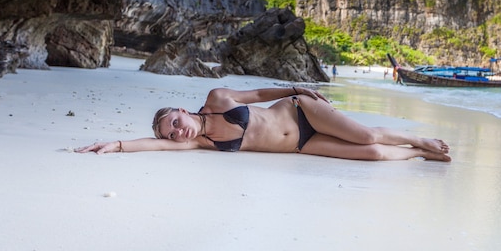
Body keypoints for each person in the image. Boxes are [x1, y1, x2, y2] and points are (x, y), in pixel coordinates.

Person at [77, 86, 451, 161]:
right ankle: (417, 153)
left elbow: (256, 96)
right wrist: (117, 145)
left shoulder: (218, 99)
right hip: (300, 145)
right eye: (172, 134)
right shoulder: (200, 143)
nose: (177, 132)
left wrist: (295, 88)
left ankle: (419, 138)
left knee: (367, 134)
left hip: (298, 112)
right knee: (370, 153)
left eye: (175, 122)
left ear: (181, 109)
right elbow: (153, 144)